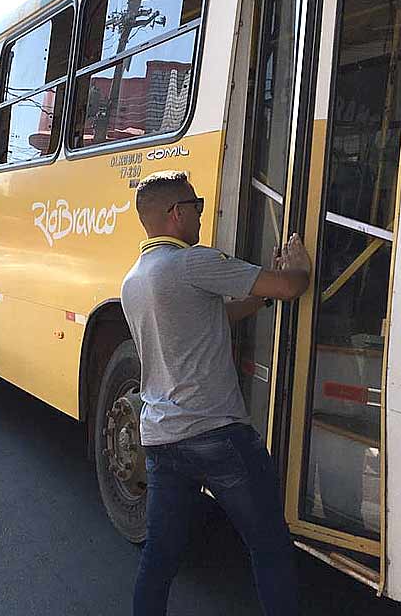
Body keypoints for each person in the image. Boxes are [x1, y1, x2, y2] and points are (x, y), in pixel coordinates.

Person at [121, 170, 311, 616]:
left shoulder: (135, 278)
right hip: (217, 435)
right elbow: (290, 286)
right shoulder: (192, 262)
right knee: (268, 545)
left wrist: (260, 299)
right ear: (176, 213)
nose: (201, 216)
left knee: (160, 557)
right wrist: (297, 266)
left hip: (163, 439)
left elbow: (211, 322)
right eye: (197, 207)